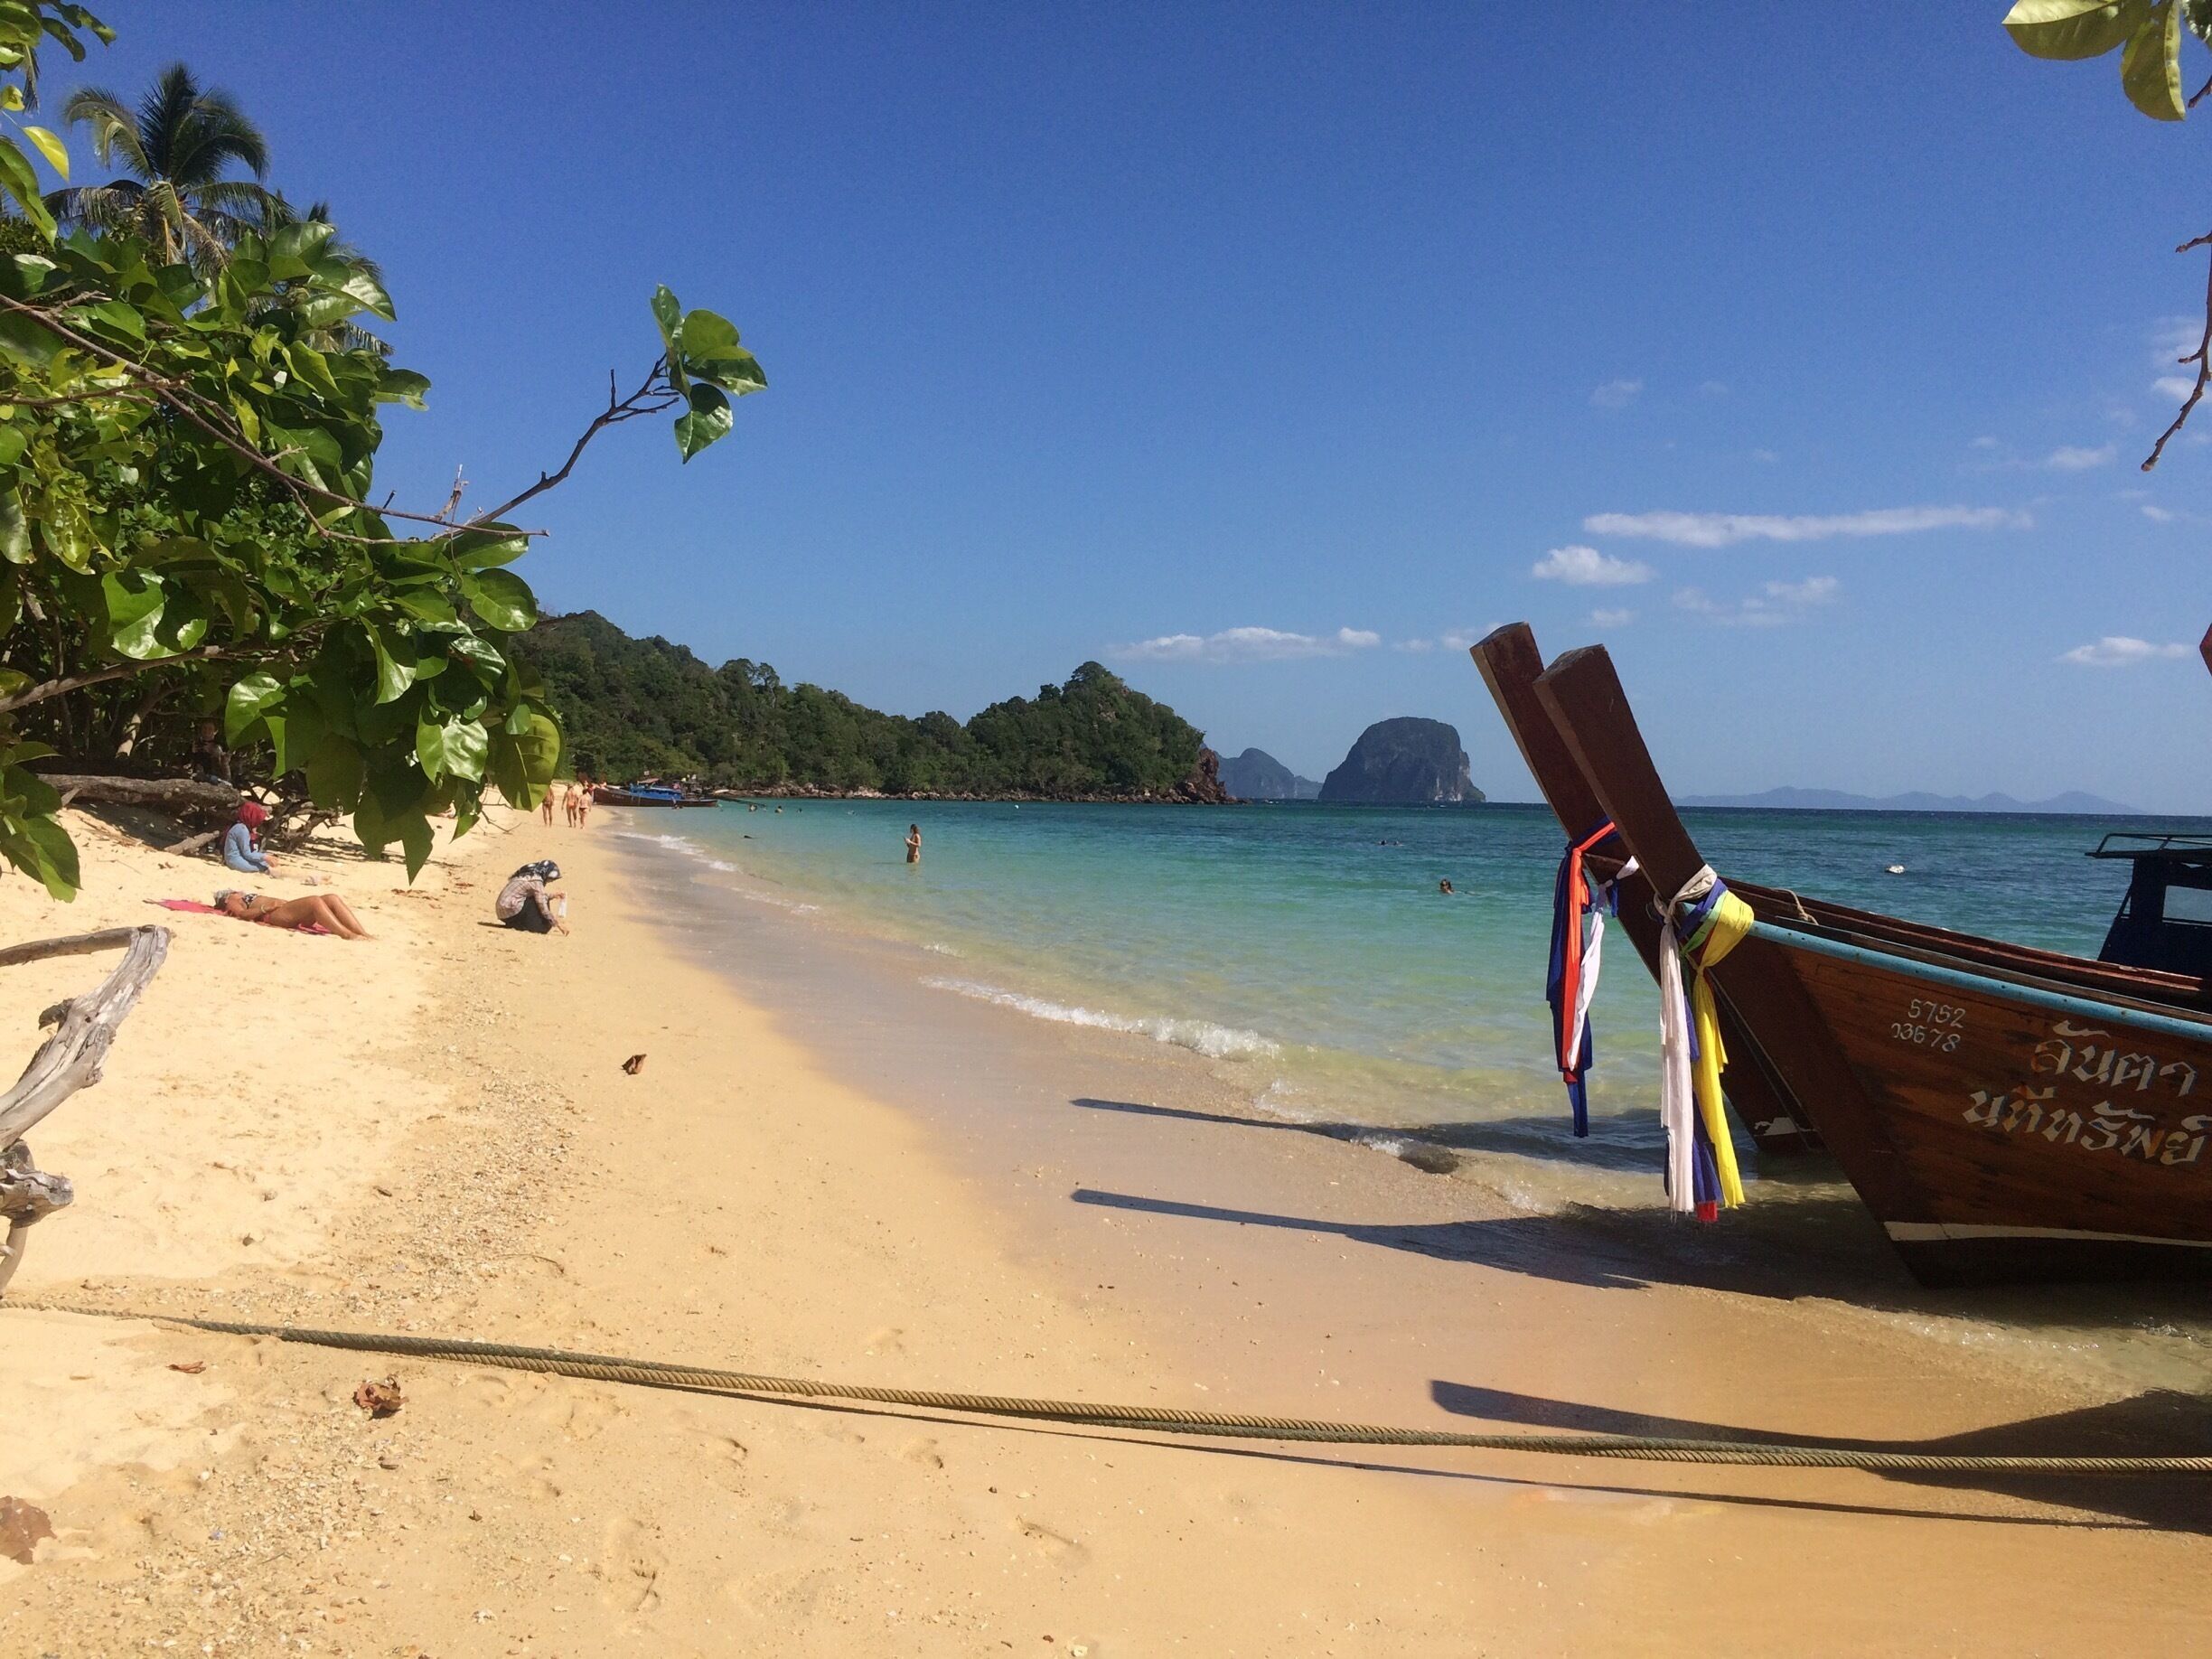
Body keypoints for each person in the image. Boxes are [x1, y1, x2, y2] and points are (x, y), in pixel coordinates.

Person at [214, 888, 371, 940]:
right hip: (275, 914)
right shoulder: (231, 900)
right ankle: (347, 934)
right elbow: (243, 915)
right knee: (314, 901)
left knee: (332, 898)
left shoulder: (237, 897)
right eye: (234, 891)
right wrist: (265, 908)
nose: (238, 891)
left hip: (282, 910)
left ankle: (362, 933)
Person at [496, 860, 568, 934]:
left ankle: (517, 923)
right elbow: (542, 905)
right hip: (511, 911)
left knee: (540, 899)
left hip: (503, 913)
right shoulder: (537, 881)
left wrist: (552, 896)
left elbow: (536, 895)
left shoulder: (527, 875)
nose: (550, 881)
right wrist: (558, 924)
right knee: (544, 926)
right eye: (550, 879)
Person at [222, 801, 274, 875]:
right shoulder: (242, 830)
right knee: (263, 867)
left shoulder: (240, 826)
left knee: (265, 863)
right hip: (235, 861)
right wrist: (265, 857)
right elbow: (247, 854)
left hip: (236, 858)